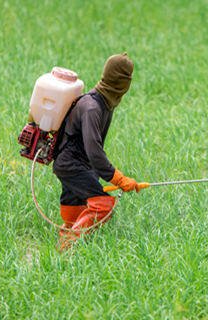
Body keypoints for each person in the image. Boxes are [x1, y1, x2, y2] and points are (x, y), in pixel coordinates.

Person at [52, 53, 140, 250]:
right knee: (103, 205)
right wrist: (118, 178)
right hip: (72, 164)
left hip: (75, 164)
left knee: (76, 209)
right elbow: (94, 152)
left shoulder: (105, 103)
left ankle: (64, 254)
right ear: (122, 83)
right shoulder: (92, 107)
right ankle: (67, 246)